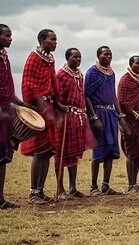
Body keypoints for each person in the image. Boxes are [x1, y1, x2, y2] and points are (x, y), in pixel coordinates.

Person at [21, 29, 61, 205]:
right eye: (52, 40)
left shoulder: (49, 60)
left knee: (47, 151)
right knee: (39, 150)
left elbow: (53, 84)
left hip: (49, 107)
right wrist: (44, 108)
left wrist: (58, 105)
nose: (55, 43)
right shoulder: (33, 58)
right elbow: (29, 87)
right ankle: (33, 192)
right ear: (43, 40)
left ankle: (41, 190)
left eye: (56, 40)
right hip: (38, 109)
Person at [85, 46, 128, 196]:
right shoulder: (92, 72)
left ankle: (106, 185)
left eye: (110, 54)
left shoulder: (111, 73)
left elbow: (113, 95)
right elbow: (86, 96)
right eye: (105, 54)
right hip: (98, 112)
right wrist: (93, 117)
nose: (109, 56)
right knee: (98, 149)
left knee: (110, 150)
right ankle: (93, 186)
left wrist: (120, 114)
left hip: (111, 114)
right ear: (98, 56)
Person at [0, 24, 34, 209]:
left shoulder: (5, 57)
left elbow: (8, 88)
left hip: (5, 111)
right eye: (7, 36)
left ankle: (1, 199)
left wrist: (22, 104)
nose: (11, 39)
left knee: (2, 157)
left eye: (11, 35)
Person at [55, 48, 94, 200]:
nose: (78, 59)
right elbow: (55, 97)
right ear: (67, 58)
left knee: (74, 153)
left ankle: (73, 187)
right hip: (65, 117)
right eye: (75, 57)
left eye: (80, 57)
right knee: (62, 153)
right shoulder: (61, 75)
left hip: (78, 117)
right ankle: (60, 188)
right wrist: (61, 111)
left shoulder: (80, 75)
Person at [118, 55, 139, 193]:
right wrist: (135, 114)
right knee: (132, 152)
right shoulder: (125, 80)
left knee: (138, 153)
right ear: (131, 64)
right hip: (130, 120)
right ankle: (130, 184)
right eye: (138, 63)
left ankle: (135, 184)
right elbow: (122, 102)